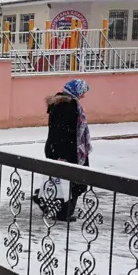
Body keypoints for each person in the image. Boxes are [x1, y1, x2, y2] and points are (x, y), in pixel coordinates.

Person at [32, 79, 92, 221]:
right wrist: (62, 154)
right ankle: (58, 210)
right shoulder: (67, 106)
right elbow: (62, 132)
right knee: (76, 182)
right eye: (82, 92)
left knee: (61, 181)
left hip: (61, 148)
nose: (83, 96)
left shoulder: (61, 104)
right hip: (67, 150)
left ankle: (54, 206)